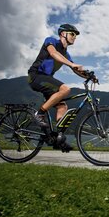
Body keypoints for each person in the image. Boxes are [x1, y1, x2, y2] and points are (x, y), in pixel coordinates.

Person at [28, 23, 83, 151]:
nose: (75, 37)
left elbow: (75, 69)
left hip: (47, 80)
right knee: (65, 89)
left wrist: (89, 76)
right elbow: (53, 53)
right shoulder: (51, 41)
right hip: (36, 76)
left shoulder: (66, 54)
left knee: (62, 106)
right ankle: (39, 114)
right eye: (73, 34)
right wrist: (71, 64)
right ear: (63, 33)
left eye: (75, 36)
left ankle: (57, 139)